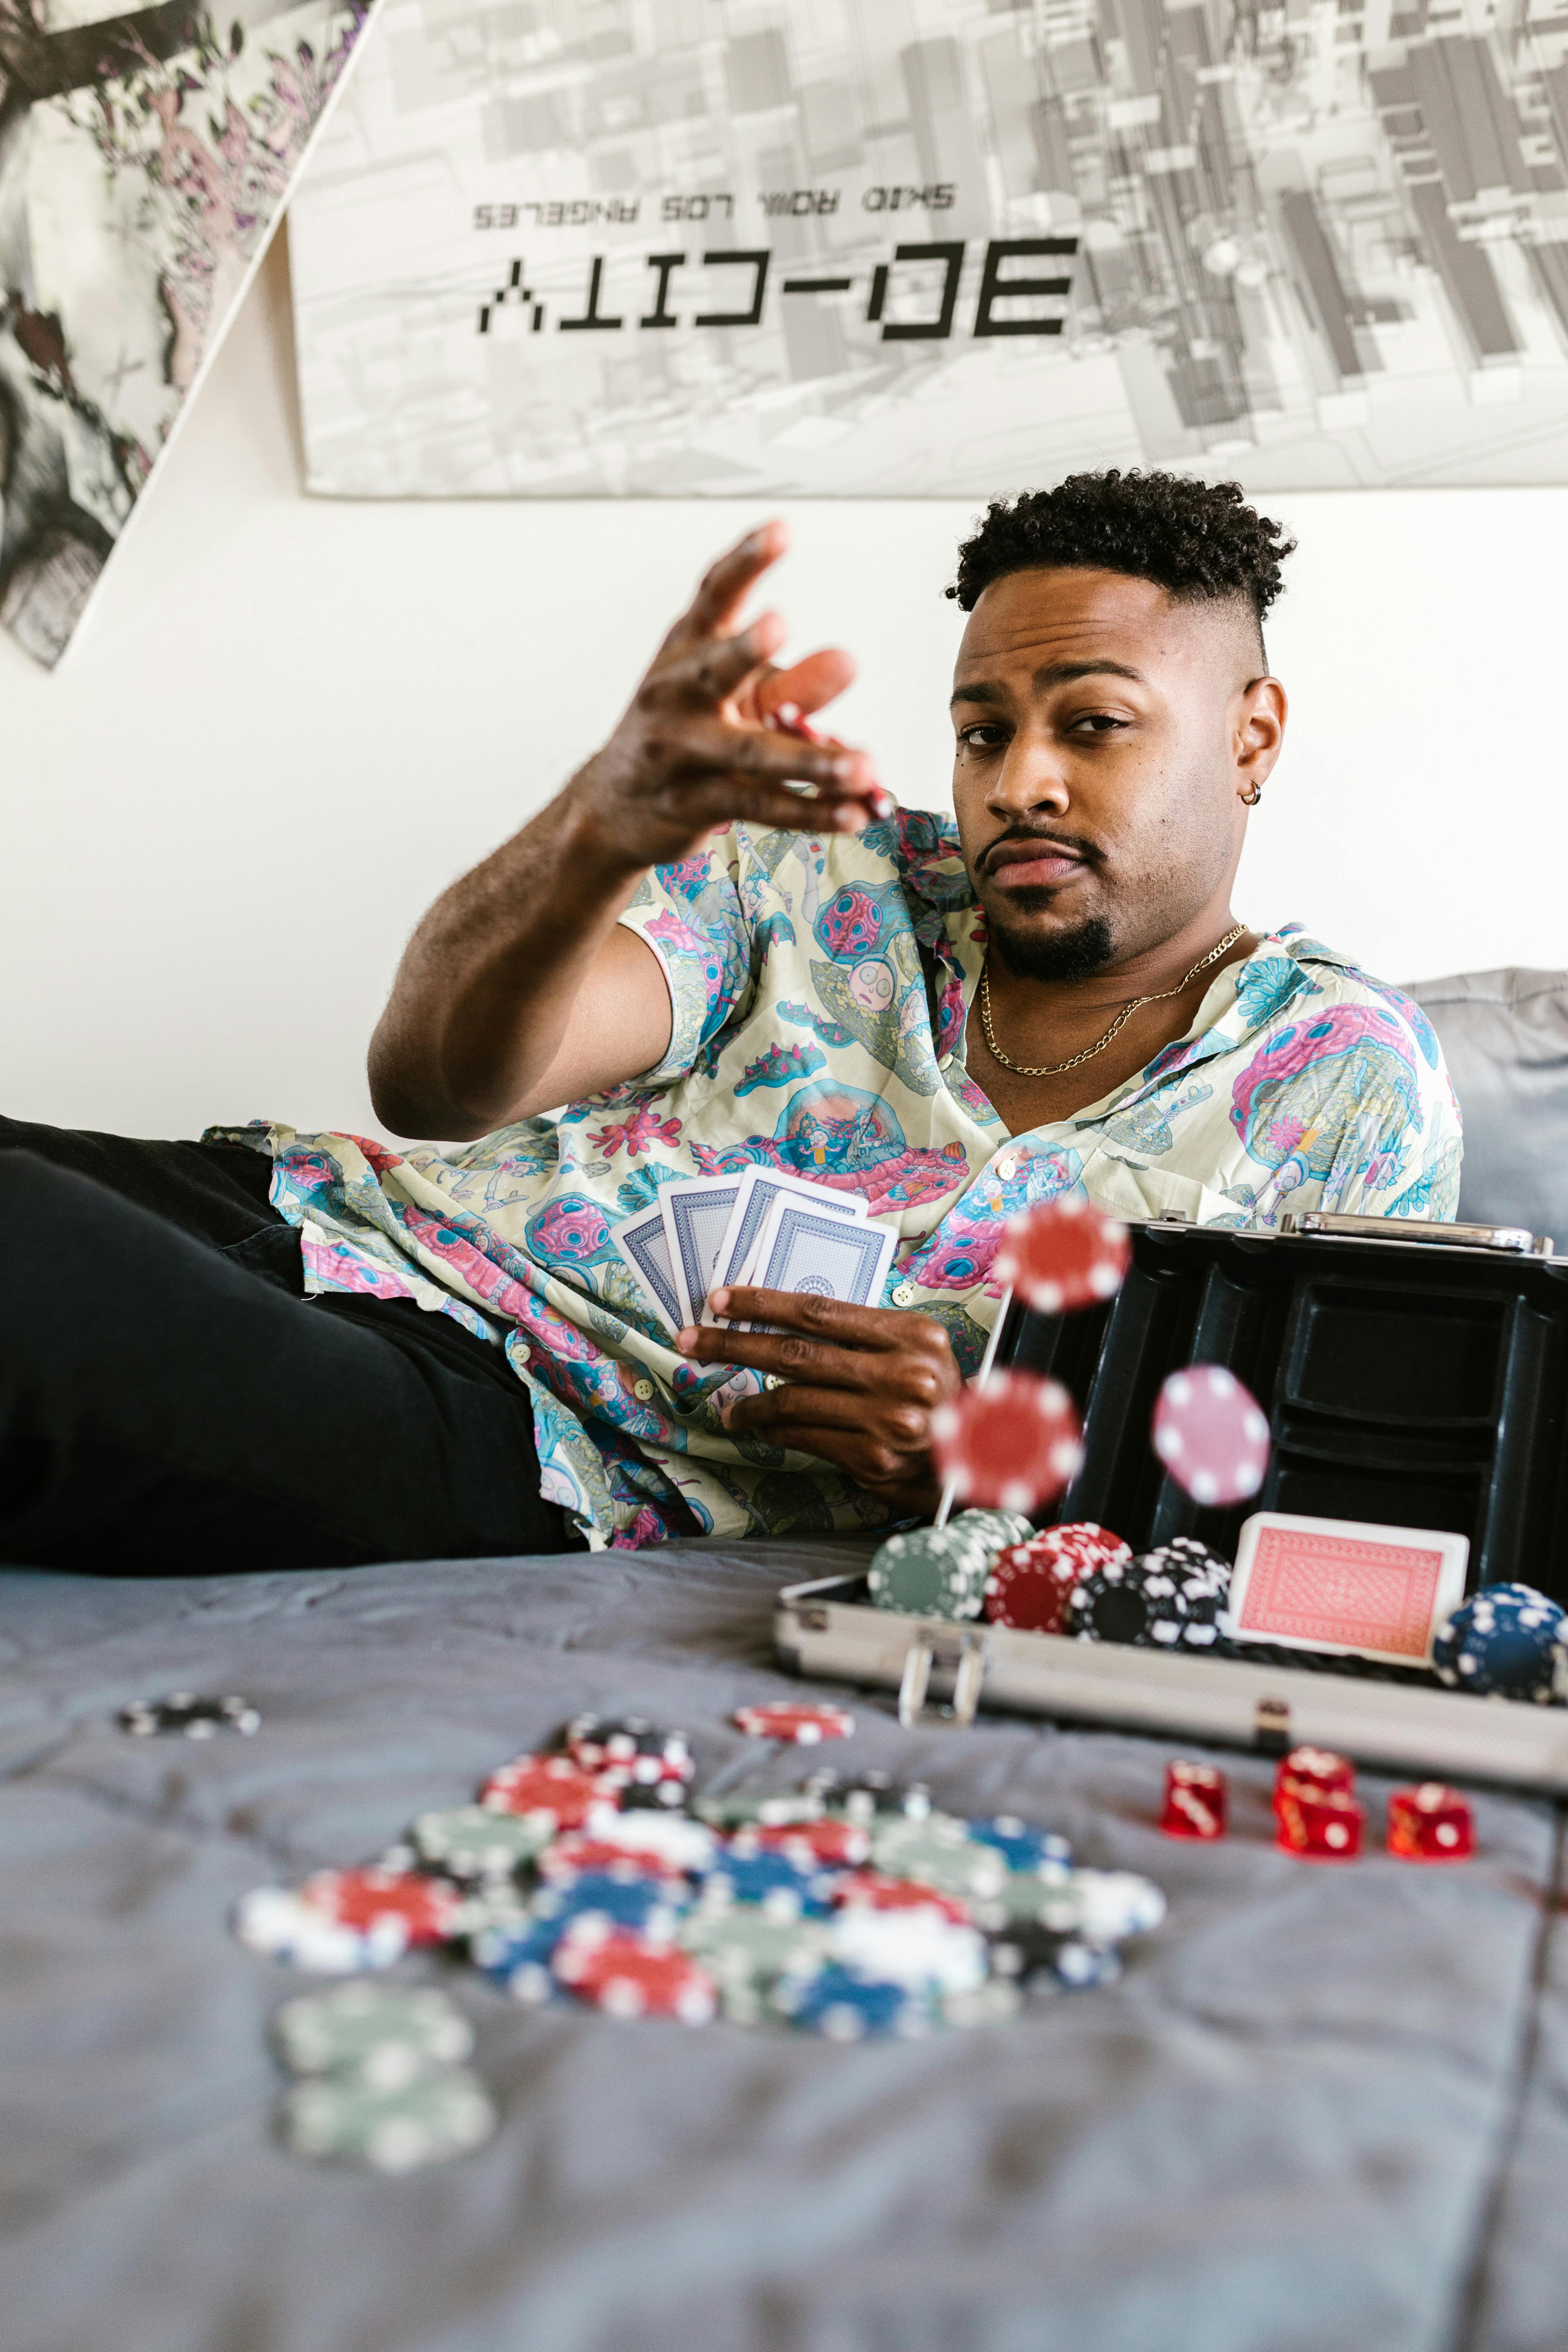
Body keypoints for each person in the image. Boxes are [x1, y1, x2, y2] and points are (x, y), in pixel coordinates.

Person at [0, 471, 1460, 1574]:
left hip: (520, 1422)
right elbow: (435, 1082)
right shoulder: (821, 868)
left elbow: (1316, 1541)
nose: (1018, 780)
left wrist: (988, 1456)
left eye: (1090, 724)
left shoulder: (1341, 1084)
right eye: (980, 730)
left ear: (1251, 734)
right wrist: (600, 824)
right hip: (316, 1208)